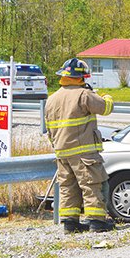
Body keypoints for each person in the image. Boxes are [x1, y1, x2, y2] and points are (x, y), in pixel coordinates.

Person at [45, 58, 115, 233]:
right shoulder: (84, 95)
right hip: (84, 152)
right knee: (92, 184)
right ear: (81, 77)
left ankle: (70, 223)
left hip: (62, 152)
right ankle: (97, 222)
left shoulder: (52, 99)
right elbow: (106, 108)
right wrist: (106, 96)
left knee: (68, 187)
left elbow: (49, 129)